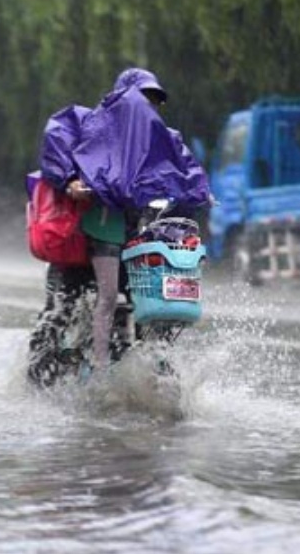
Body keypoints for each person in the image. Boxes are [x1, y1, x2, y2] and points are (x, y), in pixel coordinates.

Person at [28, 67, 210, 378]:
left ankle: (155, 370)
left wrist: (192, 203)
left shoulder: (161, 140)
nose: (148, 107)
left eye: (154, 102)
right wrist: (71, 182)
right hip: (82, 241)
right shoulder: (89, 124)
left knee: (155, 305)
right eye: (143, 98)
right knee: (61, 308)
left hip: (133, 244)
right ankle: (41, 369)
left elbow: (184, 177)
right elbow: (57, 146)